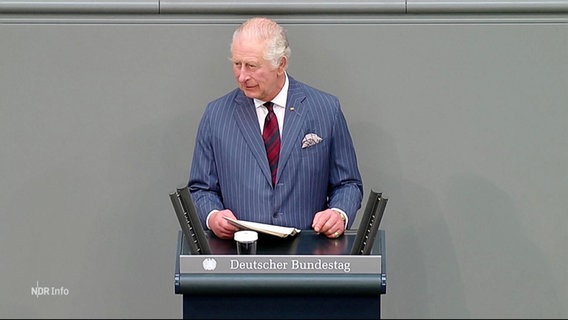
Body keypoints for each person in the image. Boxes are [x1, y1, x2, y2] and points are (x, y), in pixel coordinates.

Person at [188, 17, 363, 240]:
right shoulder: (216, 115)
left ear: (281, 64)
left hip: (308, 256)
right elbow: (201, 188)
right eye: (236, 64)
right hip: (240, 258)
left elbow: (348, 184)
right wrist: (212, 216)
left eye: (251, 65)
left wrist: (339, 214)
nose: (242, 76)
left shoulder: (325, 109)